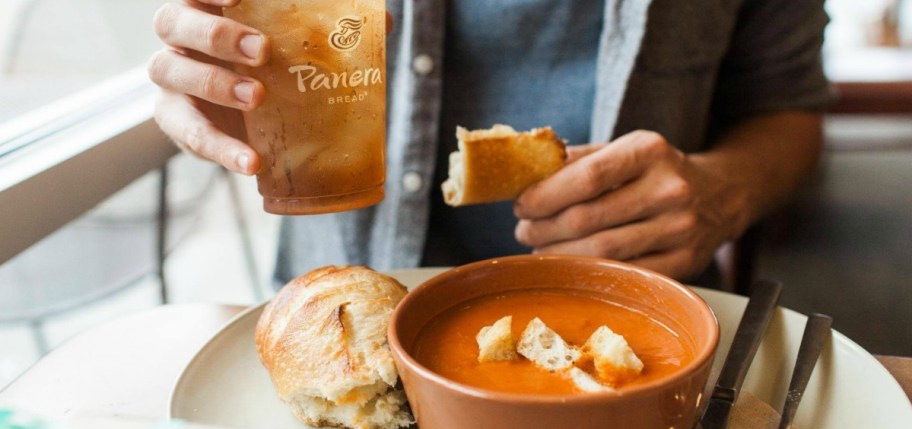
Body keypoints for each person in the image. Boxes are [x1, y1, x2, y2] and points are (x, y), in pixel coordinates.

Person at [148, 0, 830, 288]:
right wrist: (236, 91)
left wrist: (726, 189)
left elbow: (788, 104)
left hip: (642, 333)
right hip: (344, 330)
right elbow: (253, 40)